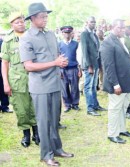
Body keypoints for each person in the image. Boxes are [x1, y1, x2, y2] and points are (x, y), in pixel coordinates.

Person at [19, 3, 73, 166]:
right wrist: (54, 62)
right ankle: (46, 154)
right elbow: (28, 66)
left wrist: (61, 61)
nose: (45, 19)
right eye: (42, 16)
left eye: (46, 16)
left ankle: (57, 149)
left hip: (55, 83)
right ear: (33, 18)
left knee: (55, 119)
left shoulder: (50, 34)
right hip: (40, 87)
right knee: (43, 121)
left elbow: (56, 55)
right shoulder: (26, 38)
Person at [1, 12, 39, 148]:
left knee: (35, 106)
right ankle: (26, 134)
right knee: (21, 109)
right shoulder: (8, 40)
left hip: (34, 76)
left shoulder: (32, 36)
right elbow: (5, 63)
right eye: (17, 22)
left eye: (22, 21)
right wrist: (6, 83)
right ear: (12, 24)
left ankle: (37, 132)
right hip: (17, 80)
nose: (21, 24)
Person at [101, 19, 130, 144]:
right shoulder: (107, 42)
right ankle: (112, 134)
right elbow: (108, 67)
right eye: (120, 28)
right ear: (112, 27)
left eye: (123, 28)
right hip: (117, 83)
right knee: (115, 109)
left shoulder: (121, 40)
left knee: (123, 107)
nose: (123, 30)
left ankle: (121, 129)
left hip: (126, 81)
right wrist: (115, 84)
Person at [81, 16, 106, 116]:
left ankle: (95, 105)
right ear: (87, 22)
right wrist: (89, 66)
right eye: (91, 22)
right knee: (88, 87)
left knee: (93, 86)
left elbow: (97, 51)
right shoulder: (84, 34)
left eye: (94, 22)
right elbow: (85, 51)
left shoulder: (94, 35)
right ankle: (90, 108)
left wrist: (99, 65)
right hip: (89, 65)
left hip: (95, 64)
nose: (93, 23)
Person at [59, 26, 81, 112]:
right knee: (64, 88)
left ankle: (75, 104)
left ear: (71, 33)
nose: (67, 35)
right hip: (63, 69)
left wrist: (79, 69)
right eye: (65, 33)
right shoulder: (59, 44)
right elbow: (57, 56)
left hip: (73, 68)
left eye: (69, 33)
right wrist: (58, 70)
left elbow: (79, 57)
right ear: (62, 33)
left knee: (75, 87)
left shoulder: (76, 44)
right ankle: (67, 105)